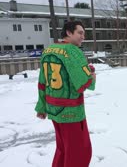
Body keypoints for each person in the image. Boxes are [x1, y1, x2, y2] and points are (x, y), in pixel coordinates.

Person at [35, 21, 96, 167]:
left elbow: (42, 81)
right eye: (80, 33)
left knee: (63, 149)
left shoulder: (49, 50)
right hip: (71, 113)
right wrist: (91, 75)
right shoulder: (73, 51)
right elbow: (83, 83)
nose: (83, 37)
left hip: (54, 110)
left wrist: (41, 107)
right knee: (80, 152)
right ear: (69, 33)